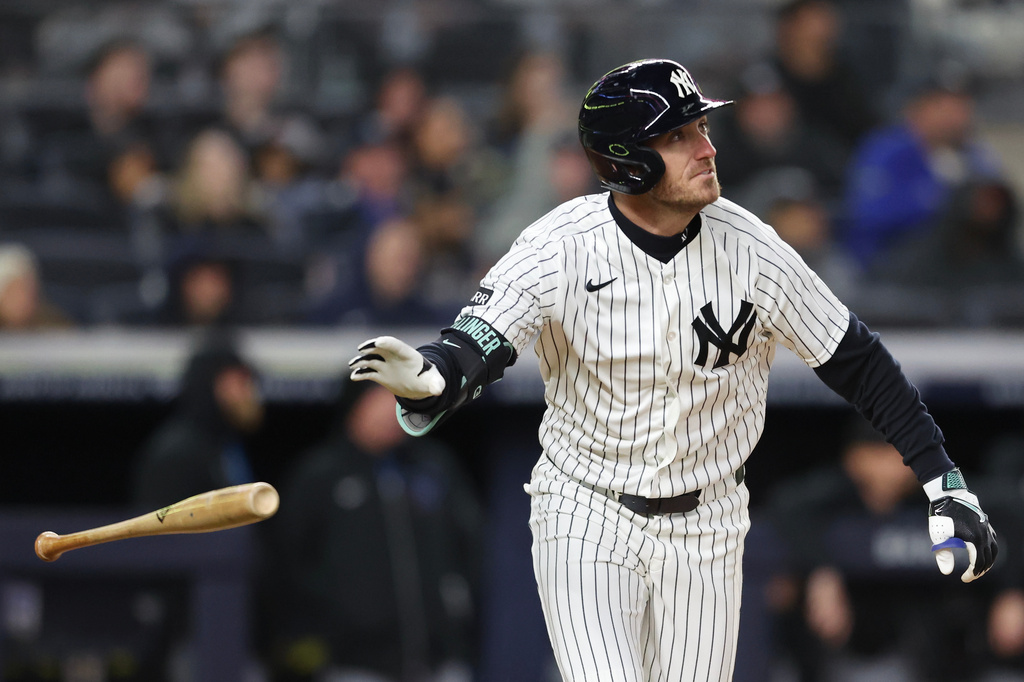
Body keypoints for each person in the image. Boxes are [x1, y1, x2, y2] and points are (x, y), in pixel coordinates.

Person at [347, 59, 997, 682]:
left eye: (702, 128)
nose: (707, 149)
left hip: (708, 523)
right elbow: (477, 342)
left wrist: (945, 483)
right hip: (587, 510)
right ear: (625, 160)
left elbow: (860, 363)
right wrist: (434, 377)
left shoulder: (753, 249)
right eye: (679, 136)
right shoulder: (559, 246)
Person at [257, 379, 481, 682]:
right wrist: (322, 624)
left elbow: (472, 545)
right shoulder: (320, 475)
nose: (390, 412)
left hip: (440, 660)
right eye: (379, 400)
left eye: (399, 401)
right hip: (352, 663)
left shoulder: (434, 467)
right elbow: (287, 563)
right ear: (355, 406)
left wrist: (456, 612)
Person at [132, 334, 264, 509]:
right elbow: (164, 523)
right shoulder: (177, 455)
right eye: (241, 382)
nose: (251, 393)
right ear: (213, 385)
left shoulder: (224, 445)